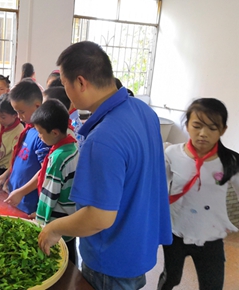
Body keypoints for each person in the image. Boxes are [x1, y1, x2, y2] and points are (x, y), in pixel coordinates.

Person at [37, 41, 172, 290]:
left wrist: (55, 228)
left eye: (65, 85)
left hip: (112, 258)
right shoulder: (144, 112)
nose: (65, 93)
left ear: (80, 82)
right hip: (140, 243)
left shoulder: (103, 138)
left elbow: (99, 217)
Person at [157, 98, 239, 290]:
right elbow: (158, 189)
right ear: (187, 125)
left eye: (212, 128)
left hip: (210, 236)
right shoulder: (172, 154)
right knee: (171, 278)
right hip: (175, 231)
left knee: (212, 285)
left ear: (223, 130)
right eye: (197, 125)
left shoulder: (231, 161)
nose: (203, 134)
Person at [31, 99, 79, 265]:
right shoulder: (73, 147)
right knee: (70, 257)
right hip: (69, 222)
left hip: (56, 226)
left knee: (58, 262)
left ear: (55, 132)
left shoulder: (58, 158)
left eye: (41, 132)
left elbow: (48, 197)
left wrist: (40, 225)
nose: (39, 136)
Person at [0, 79, 49, 215]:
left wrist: (22, 192)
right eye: (16, 112)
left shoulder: (43, 136)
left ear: (37, 106)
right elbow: (20, 160)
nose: (19, 117)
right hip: (16, 197)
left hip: (28, 202)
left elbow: (45, 171)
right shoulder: (28, 129)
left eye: (21, 112)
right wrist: (5, 175)